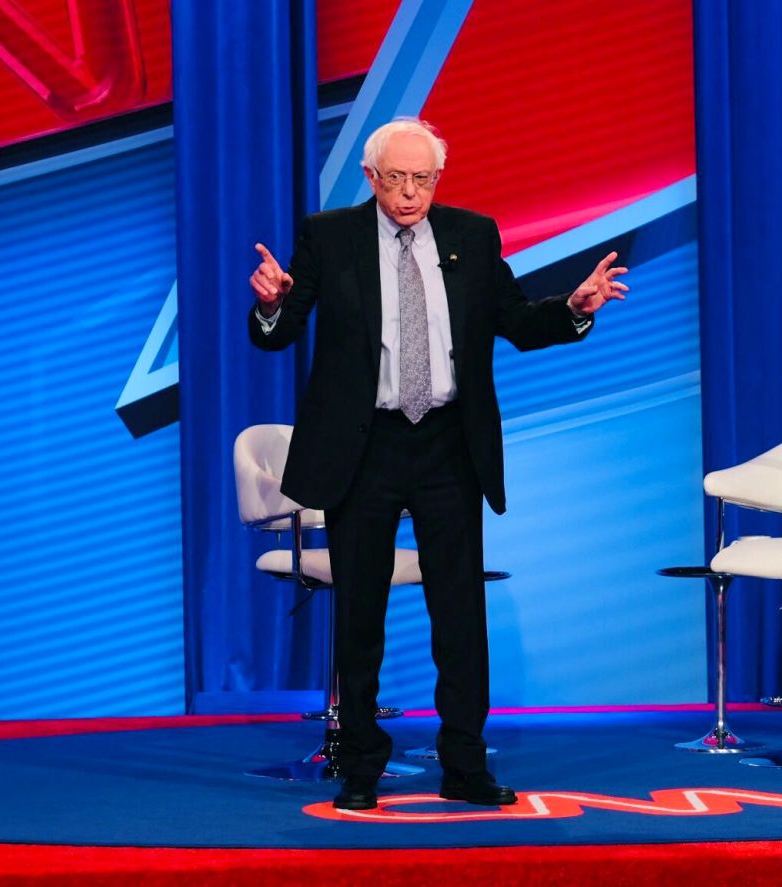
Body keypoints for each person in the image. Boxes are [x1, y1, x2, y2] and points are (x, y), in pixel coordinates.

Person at [248, 118, 628, 809]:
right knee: (360, 615)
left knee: (459, 613)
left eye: (423, 178)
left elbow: (516, 320)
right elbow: (282, 330)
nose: (410, 192)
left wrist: (574, 308)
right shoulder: (330, 237)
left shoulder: (471, 236)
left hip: (448, 444)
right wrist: (270, 306)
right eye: (396, 178)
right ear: (371, 177)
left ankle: (464, 763)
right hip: (363, 447)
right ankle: (360, 763)